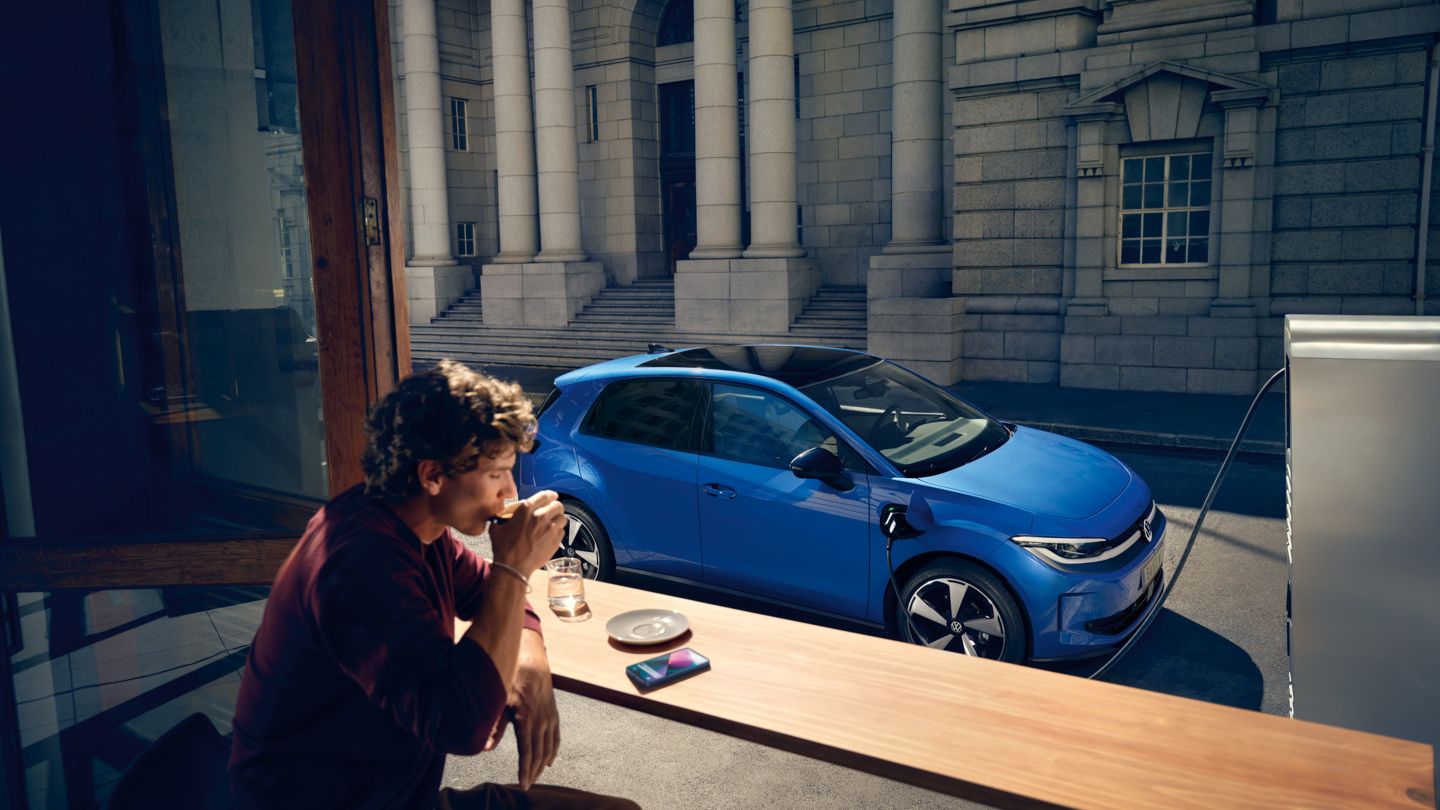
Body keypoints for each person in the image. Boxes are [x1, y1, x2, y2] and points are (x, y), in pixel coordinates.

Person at [230, 360, 638, 810]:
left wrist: (533, 670)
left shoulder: (418, 529)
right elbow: (462, 724)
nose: (509, 492)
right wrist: (515, 566)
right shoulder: (357, 563)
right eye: (495, 473)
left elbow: (492, 595)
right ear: (432, 475)